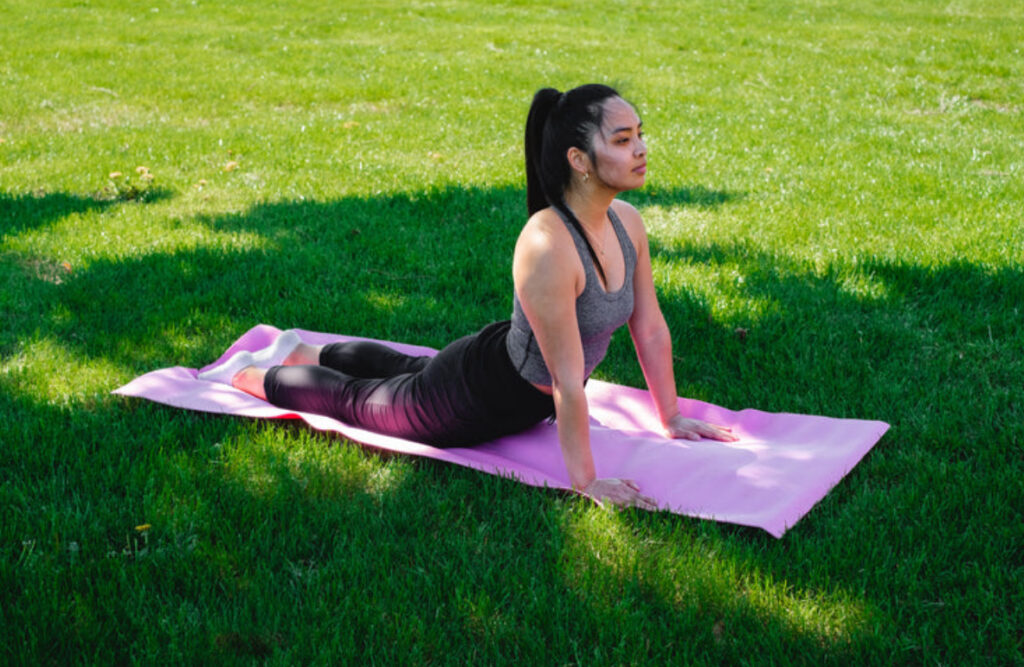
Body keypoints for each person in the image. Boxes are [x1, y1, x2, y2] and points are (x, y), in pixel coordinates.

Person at [199, 83, 736, 508]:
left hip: (501, 367)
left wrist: (670, 415)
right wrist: (586, 483)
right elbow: (568, 384)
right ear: (578, 159)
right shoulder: (548, 245)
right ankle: (248, 374)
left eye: (639, 133)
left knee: (404, 367)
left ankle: (305, 348)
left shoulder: (626, 222)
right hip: (476, 398)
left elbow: (649, 326)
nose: (641, 148)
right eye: (622, 140)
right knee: (359, 402)